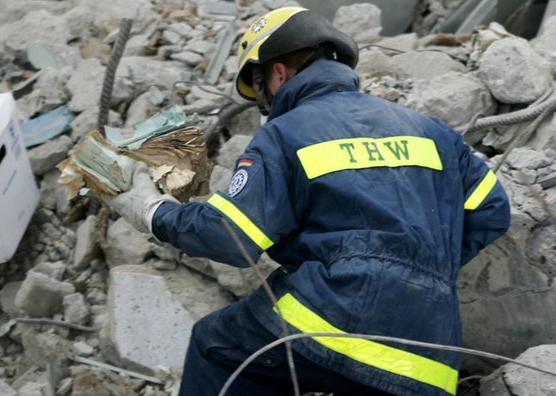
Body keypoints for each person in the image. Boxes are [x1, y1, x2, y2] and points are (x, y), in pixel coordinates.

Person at [107, 6, 511, 396]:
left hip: (334, 318)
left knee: (217, 347)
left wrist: (152, 211)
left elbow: (229, 235)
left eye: (260, 90)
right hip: (431, 353)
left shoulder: (287, 132)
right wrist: (422, 273)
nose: (265, 106)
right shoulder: (430, 129)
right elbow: (492, 211)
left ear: (278, 72)